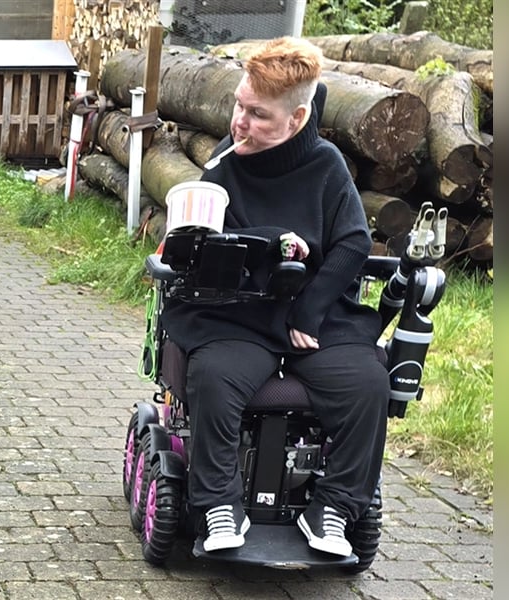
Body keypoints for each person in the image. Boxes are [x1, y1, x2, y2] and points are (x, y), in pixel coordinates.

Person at [159, 36, 390, 557]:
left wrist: (311, 307)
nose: (239, 123)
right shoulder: (224, 161)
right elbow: (205, 240)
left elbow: (353, 242)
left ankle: (332, 508)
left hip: (314, 316)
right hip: (241, 313)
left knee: (368, 384)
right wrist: (268, 243)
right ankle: (217, 504)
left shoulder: (328, 166)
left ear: (298, 117)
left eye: (258, 115)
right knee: (215, 376)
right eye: (239, 106)